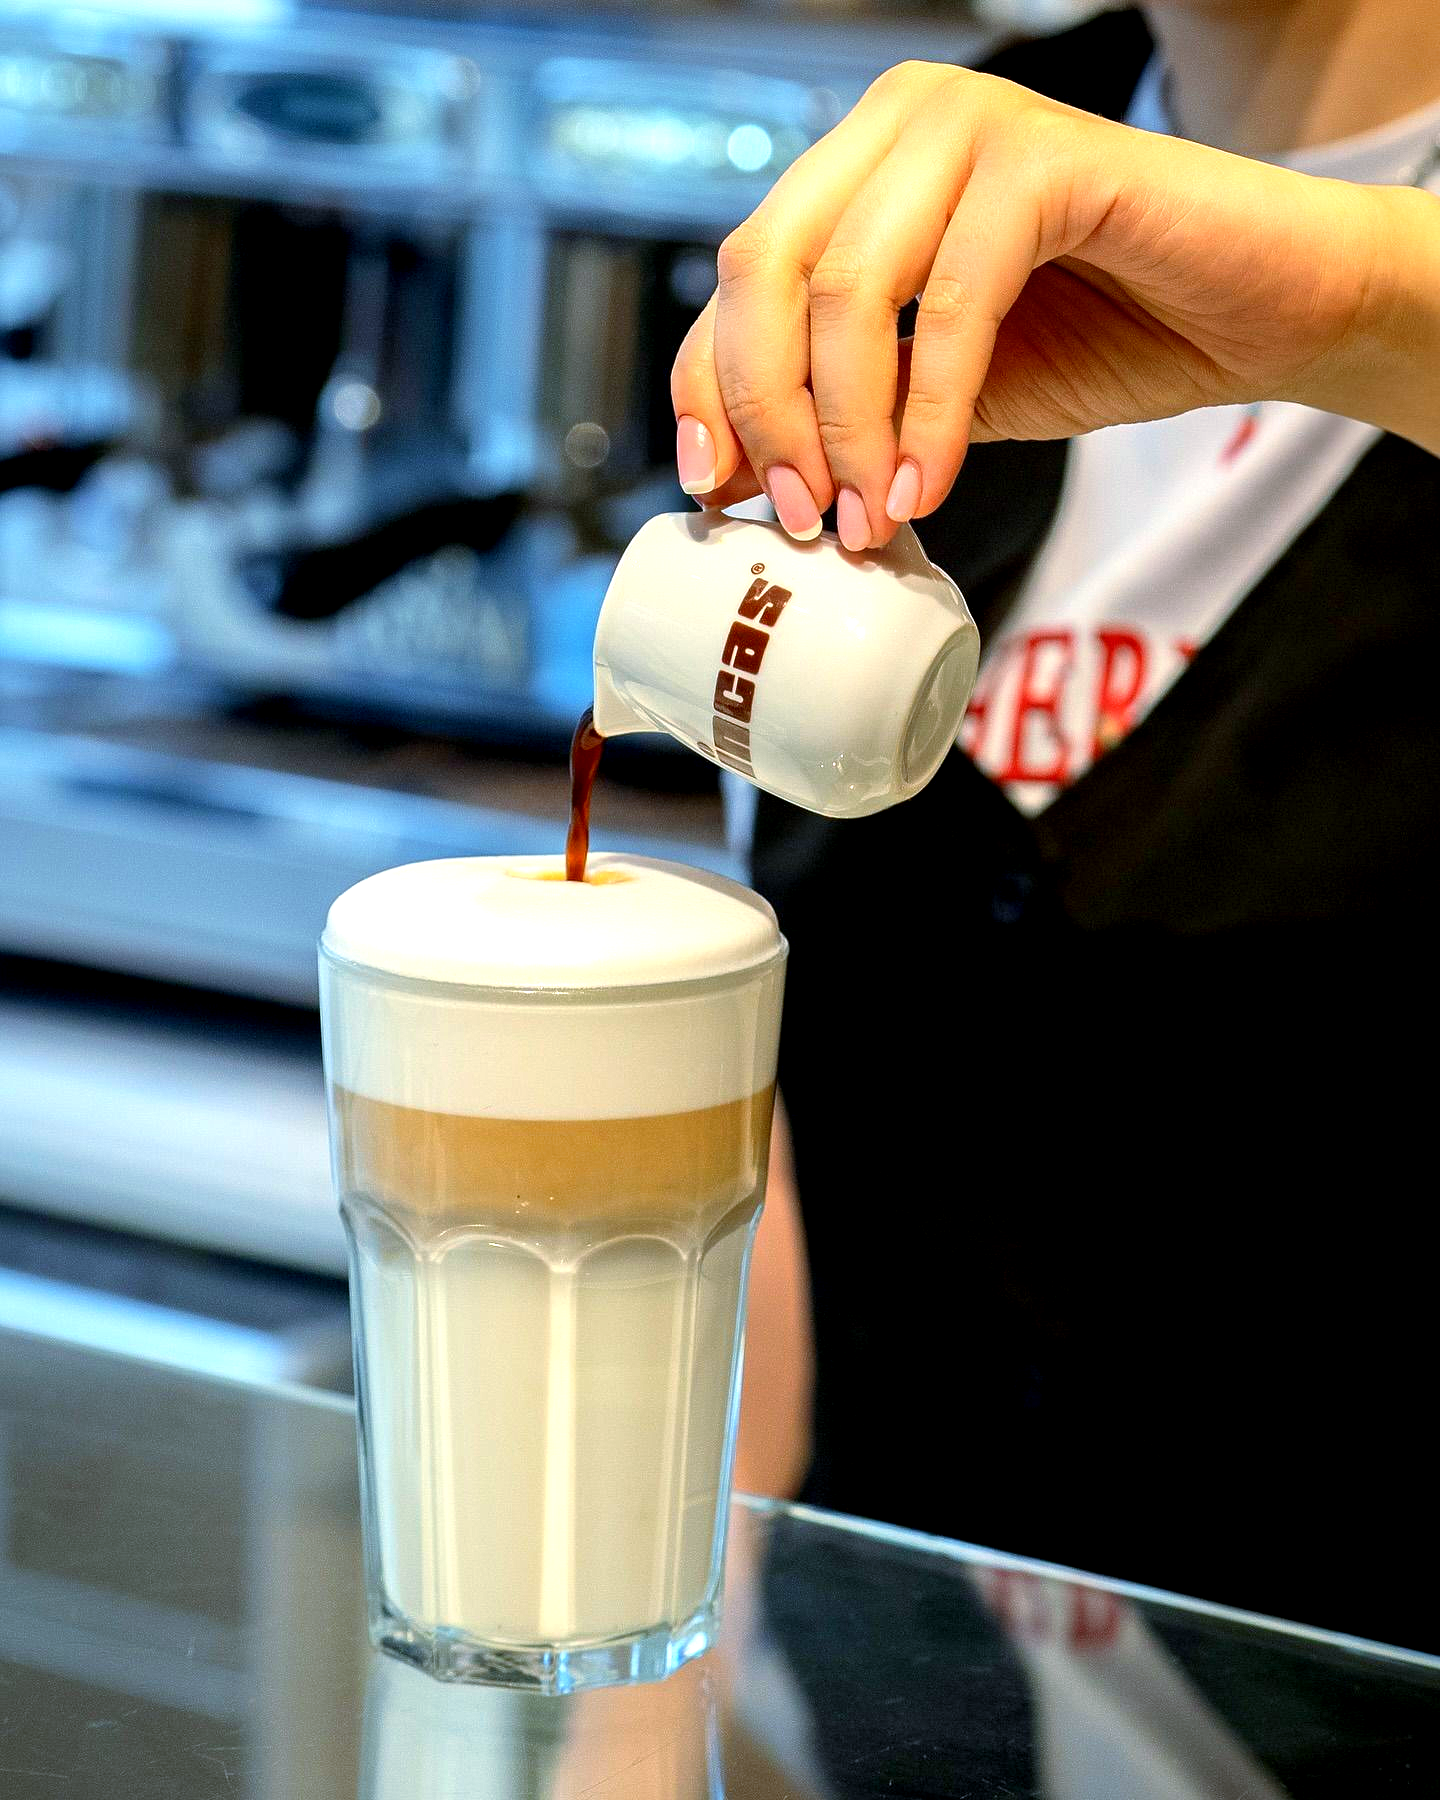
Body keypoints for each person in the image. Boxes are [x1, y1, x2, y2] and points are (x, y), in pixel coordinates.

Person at [697, 0, 1440, 1652]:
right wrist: (668, 1691)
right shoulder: (922, 177)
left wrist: (1357, 297)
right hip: (896, 1696)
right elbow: (808, 1119)